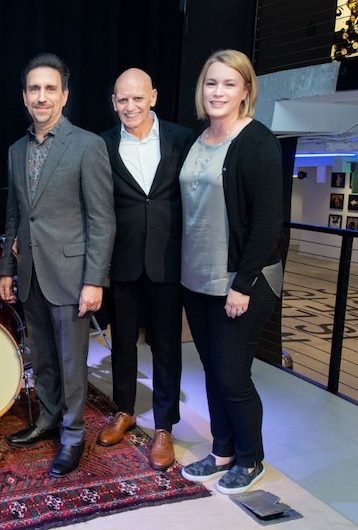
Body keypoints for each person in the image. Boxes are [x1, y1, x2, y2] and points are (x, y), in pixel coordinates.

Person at [0, 53, 115, 477]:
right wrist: (5, 270)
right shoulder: (15, 150)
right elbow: (14, 215)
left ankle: (73, 432)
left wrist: (94, 280)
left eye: (50, 89)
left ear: (64, 95)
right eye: (34, 89)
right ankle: (47, 419)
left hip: (71, 276)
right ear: (25, 96)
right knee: (42, 356)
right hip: (30, 273)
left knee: (71, 361)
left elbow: (102, 218)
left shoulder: (87, 145)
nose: (41, 97)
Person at [178, 50, 284, 495]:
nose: (218, 92)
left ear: (245, 91)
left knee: (232, 373)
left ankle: (250, 457)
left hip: (242, 282)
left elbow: (266, 221)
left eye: (228, 84)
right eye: (211, 83)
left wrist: (242, 283)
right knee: (212, 370)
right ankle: (222, 450)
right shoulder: (198, 139)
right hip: (197, 278)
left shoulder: (257, 142)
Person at [98, 69, 194, 470]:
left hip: (167, 262)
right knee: (121, 343)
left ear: (153, 96)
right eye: (122, 99)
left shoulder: (182, 139)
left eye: (137, 98)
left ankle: (164, 427)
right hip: (122, 261)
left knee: (167, 348)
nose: (130, 106)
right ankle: (124, 410)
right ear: (114, 101)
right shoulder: (102, 145)